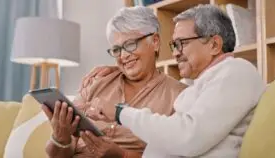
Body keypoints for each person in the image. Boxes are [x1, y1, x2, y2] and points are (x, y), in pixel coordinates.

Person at [85, 4, 266, 158]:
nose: (175, 53)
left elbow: (188, 136)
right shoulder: (199, 86)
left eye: (182, 43)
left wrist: (120, 113)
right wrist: (119, 69)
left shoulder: (236, 71)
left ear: (214, 45)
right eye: (174, 45)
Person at [42, 6, 186, 158]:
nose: (123, 56)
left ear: (155, 42)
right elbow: (59, 155)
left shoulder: (178, 97)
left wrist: (122, 155)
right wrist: (60, 138)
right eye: (116, 49)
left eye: (130, 44)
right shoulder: (96, 82)